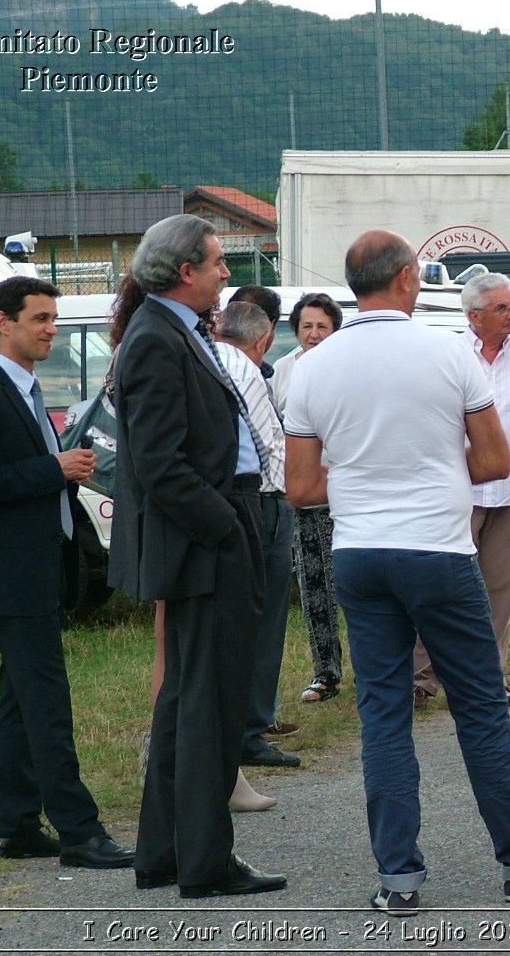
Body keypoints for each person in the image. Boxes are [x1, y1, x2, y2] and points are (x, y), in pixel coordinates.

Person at [284, 229, 510, 916]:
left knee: (383, 715)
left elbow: (300, 487)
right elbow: (496, 462)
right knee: (480, 709)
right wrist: (426, 471)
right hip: (436, 548)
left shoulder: (314, 363)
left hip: (361, 552)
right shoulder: (447, 350)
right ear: (407, 277)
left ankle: (398, 879)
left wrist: (368, 478)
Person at [109, 214, 285, 899]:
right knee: (209, 706)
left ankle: (163, 854)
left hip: (214, 530)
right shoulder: (157, 339)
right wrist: (226, 527)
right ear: (185, 271)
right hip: (207, 541)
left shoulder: (173, 331)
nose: (224, 274)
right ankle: (207, 863)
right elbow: (158, 462)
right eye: (217, 262)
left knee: (186, 700)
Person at [0, 275, 134, 870]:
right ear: (3, 322)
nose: (51, 329)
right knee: (47, 703)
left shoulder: (26, 390)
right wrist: (51, 469)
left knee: (20, 701)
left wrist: (61, 470)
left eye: (53, 318)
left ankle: (17, 824)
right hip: (9, 578)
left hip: (37, 570)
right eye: (40, 319)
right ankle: (80, 831)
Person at [412, 273, 510, 709]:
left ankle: (486, 679)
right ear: (473, 316)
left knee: (498, 588)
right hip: (458, 489)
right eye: (502, 309)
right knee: (439, 583)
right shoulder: (449, 356)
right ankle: (420, 678)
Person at [212, 301, 300, 771]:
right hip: (261, 503)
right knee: (263, 623)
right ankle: (250, 729)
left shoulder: (206, 356)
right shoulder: (245, 369)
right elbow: (268, 443)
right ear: (263, 340)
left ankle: (240, 726)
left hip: (232, 502)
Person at [272, 292, 347, 705]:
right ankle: (327, 673)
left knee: (358, 586)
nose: (314, 334)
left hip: (349, 492)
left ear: (334, 329)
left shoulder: (349, 368)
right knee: (314, 587)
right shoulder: (283, 370)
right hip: (304, 496)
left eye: (322, 326)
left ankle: (380, 671)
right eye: (306, 326)